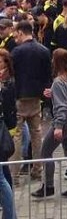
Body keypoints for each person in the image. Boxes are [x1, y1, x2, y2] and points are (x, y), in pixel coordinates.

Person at [33, 48, 67, 199]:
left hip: (64, 123)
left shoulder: (59, 81)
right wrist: (53, 93)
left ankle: (48, 186)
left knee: (46, 152)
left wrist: (58, 126)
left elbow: (62, 106)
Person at [9, 20, 50, 184]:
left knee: (17, 135)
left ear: (20, 32)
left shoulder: (16, 52)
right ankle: (37, 170)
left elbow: (11, 74)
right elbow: (47, 75)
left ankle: (14, 175)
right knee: (37, 134)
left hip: (19, 96)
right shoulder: (44, 50)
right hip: (36, 97)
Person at [0, 49, 17, 219]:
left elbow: (9, 110)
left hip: (4, 131)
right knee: (4, 175)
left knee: (3, 177)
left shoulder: (8, 85)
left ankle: (10, 214)